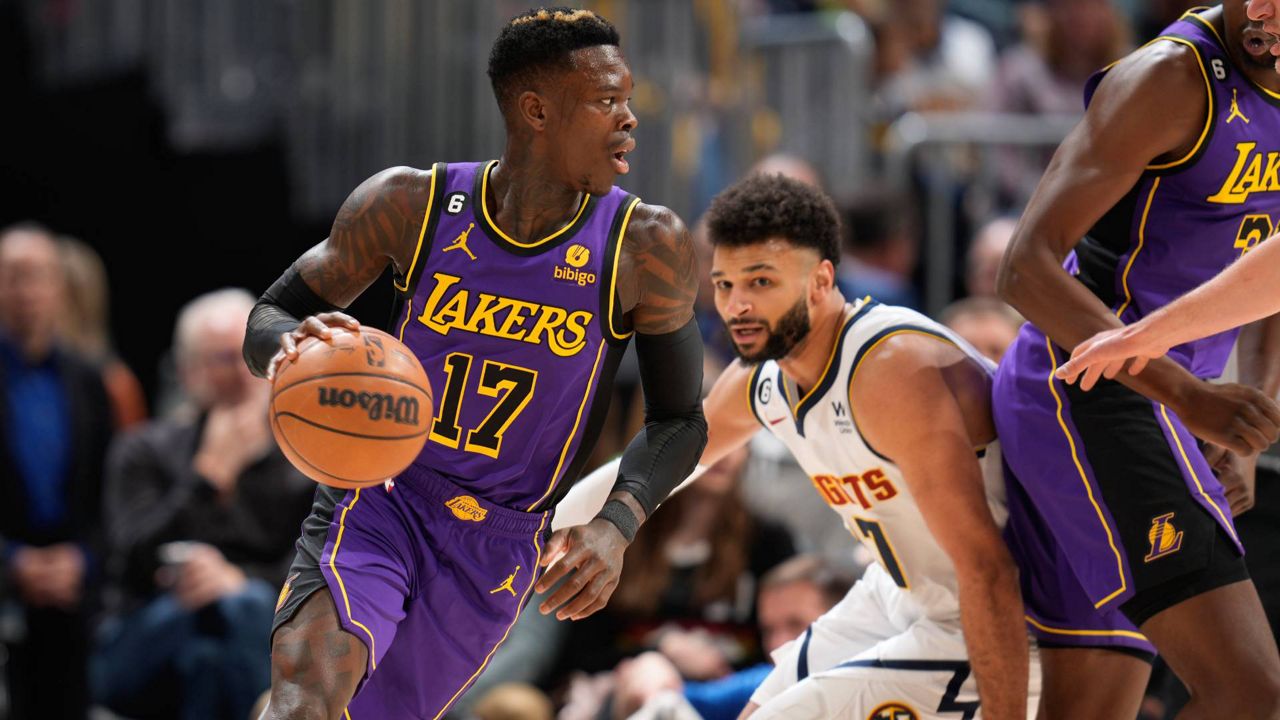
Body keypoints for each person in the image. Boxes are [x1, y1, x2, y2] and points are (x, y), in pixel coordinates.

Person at [242, 8, 706, 719]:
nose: (630, 118)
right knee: (305, 697)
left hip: (498, 540)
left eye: (629, 98)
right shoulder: (410, 203)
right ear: (537, 110)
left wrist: (617, 522)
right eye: (607, 101)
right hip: (380, 493)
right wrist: (294, 348)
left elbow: (680, 420)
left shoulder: (645, 245)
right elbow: (266, 318)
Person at [566, 174, 1036, 719]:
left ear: (820, 279)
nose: (737, 305)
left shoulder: (891, 368)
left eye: (760, 282)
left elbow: (989, 570)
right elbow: (668, 456)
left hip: (993, 614)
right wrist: (542, 527)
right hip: (897, 593)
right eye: (724, 284)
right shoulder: (762, 381)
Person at [994, 3, 1280, 717]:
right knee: (1251, 693)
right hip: (1088, 386)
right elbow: (1023, 269)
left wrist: (1244, 419)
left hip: (1172, 397)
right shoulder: (1171, 78)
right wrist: (1187, 395)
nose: (1264, 7)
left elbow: (1270, 267)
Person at [93, 289, 315, 720]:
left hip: (251, 627)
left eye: (248, 358)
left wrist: (234, 578)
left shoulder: (302, 460)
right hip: (149, 625)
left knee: (212, 657)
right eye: (220, 359)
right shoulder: (142, 451)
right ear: (186, 370)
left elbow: (312, 569)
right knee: (239, 612)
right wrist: (209, 477)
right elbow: (129, 559)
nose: (238, 374)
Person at [0, 223, 114, 720]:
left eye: (39, 277)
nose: (27, 292)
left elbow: (108, 493)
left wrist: (84, 559)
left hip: (74, 582)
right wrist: (11, 562)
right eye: (13, 277)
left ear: (59, 289)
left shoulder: (89, 380)